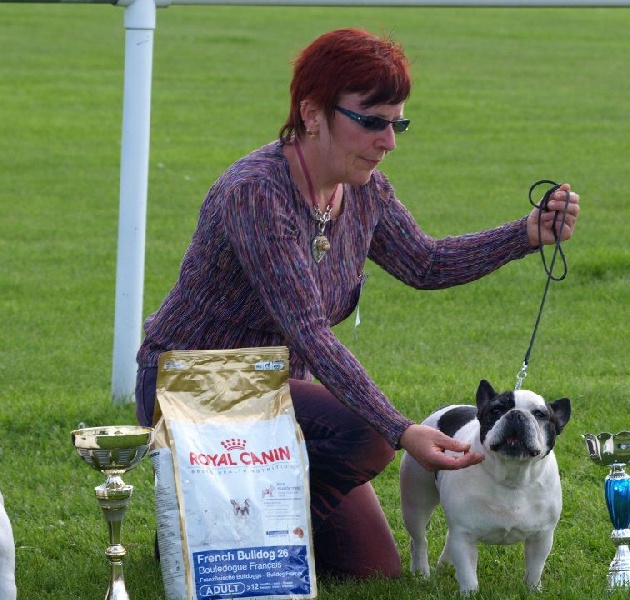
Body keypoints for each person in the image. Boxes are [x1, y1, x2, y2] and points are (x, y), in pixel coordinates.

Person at [135, 28, 580, 581]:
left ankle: (230, 522)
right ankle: (210, 515)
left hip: (274, 395)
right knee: (367, 436)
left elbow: (425, 263)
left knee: (373, 570)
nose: (389, 140)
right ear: (313, 113)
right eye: (372, 121)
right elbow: (310, 333)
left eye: (398, 122)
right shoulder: (257, 192)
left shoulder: (364, 188)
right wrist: (401, 429)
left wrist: (525, 235)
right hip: (192, 386)